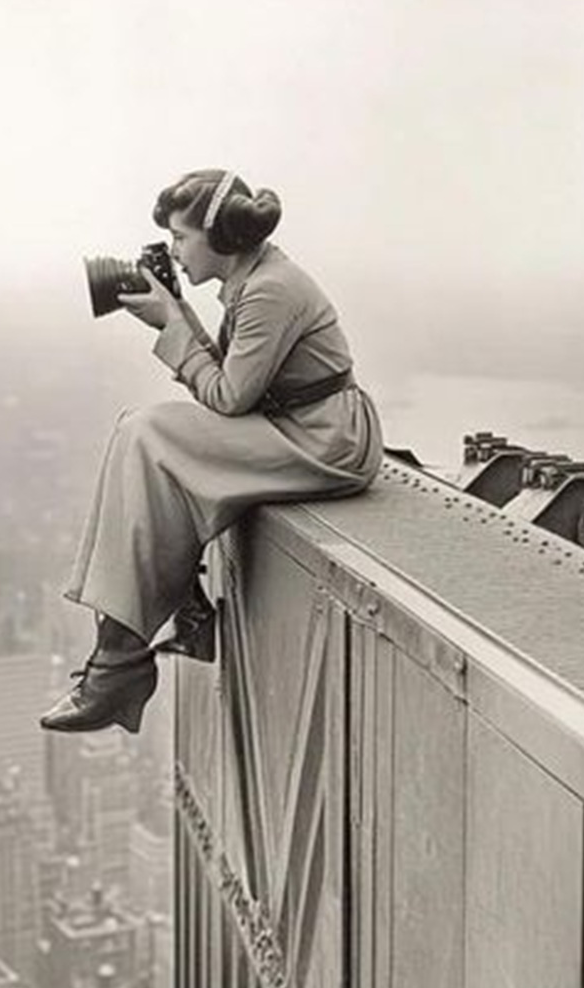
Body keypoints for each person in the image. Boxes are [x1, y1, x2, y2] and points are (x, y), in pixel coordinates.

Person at [41, 169, 384, 734]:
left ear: (218, 236)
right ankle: (144, 639)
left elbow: (228, 396)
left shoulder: (272, 289)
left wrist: (173, 324)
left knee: (150, 434)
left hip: (326, 439)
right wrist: (178, 317)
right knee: (140, 431)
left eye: (180, 239)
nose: (174, 253)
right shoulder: (258, 277)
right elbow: (234, 382)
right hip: (299, 424)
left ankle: (119, 667)